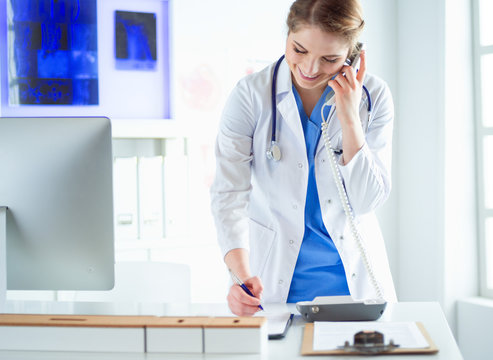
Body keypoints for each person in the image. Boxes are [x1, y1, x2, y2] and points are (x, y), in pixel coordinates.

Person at [210, 0, 397, 316]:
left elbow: (365, 201)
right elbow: (228, 196)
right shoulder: (250, 96)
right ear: (288, 34)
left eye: (330, 58)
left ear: (353, 56)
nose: (310, 69)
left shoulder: (373, 97)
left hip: (354, 288)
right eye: (299, 50)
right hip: (275, 286)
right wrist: (241, 278)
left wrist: (349, 115)